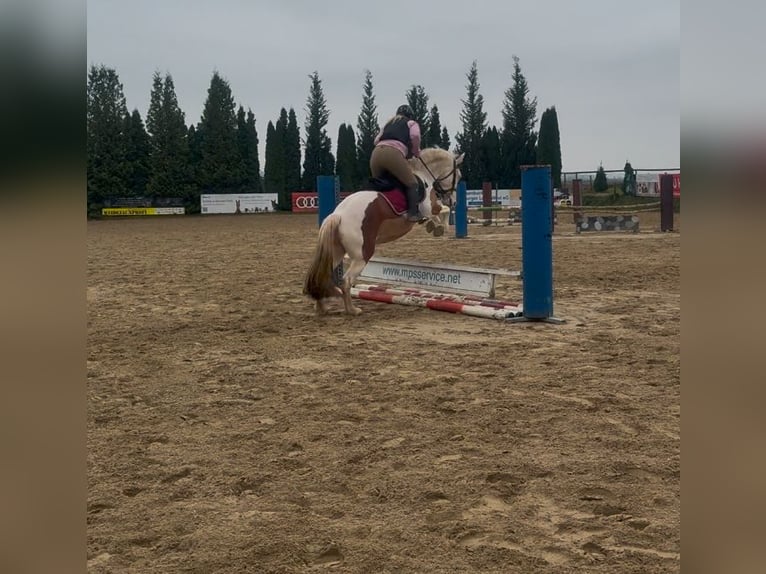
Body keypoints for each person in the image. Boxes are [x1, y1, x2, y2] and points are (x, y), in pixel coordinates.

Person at [370, 104, 422, 222]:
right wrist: (416, 152)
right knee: (412, 183)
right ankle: (413, 214)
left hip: (376, 154)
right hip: (393, 154)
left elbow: (376, 140)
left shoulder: (388, 123)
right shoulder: (411, 123)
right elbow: (415, 136)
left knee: (380, 185)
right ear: (410, 115)